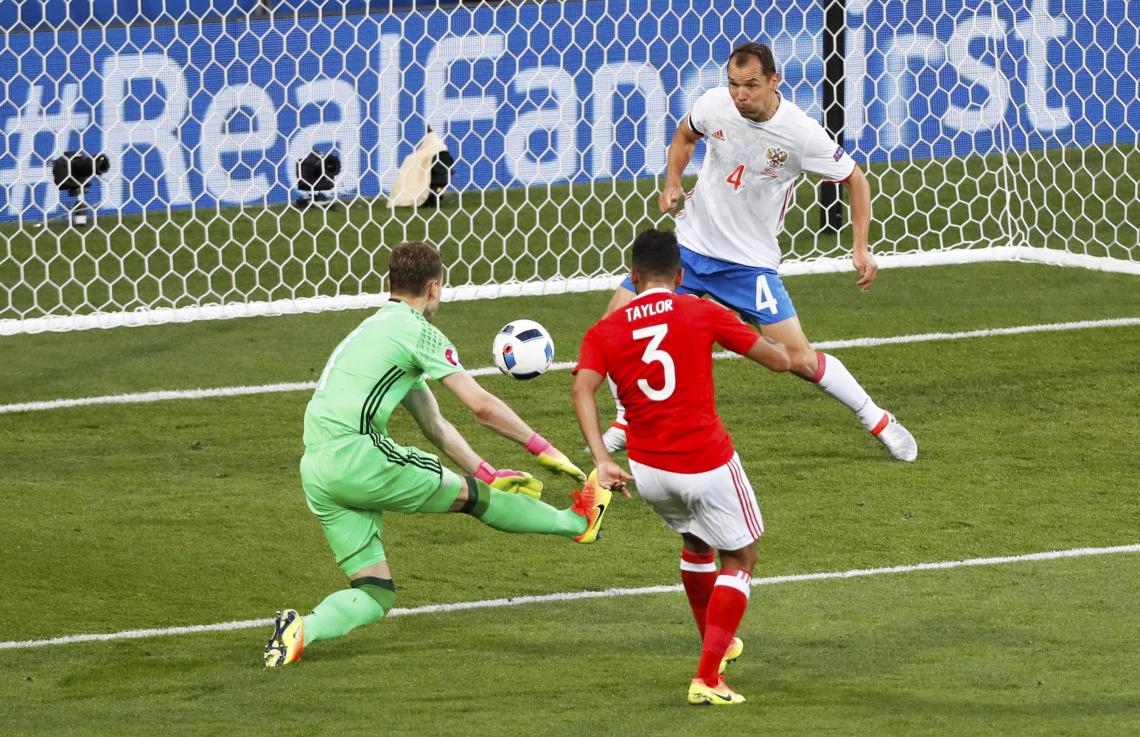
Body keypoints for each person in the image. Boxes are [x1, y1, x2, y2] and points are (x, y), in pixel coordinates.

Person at [264, 240, 611, 668]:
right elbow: (481, 407)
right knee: (473, 499)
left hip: (317, 472)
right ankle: (578, 522)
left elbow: (434, 424)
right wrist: (544, 449)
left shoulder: (373, 331)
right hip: (359, 457)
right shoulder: (417, 332)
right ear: (434, 286)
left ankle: (300, 630)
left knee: (375, 592)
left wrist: (484, 469)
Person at [598, 41, 917, 462]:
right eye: (733, 84)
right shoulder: (714, 105)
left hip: (749, 265)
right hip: (690, 250)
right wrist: (672, 180)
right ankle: (626, 418)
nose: (740, 94)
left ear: (773, 81)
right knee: (613, 329)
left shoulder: (801, 134)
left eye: (750, 85)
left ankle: (876, 418)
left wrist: (861, 247)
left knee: (797, 358)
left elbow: (855, 179)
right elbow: (683, 135)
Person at [573, 228, 792, 706]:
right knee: (741, 557)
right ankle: (708, 676)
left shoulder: (604, 329)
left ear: (632, 276)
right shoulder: (701, 311)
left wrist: (602, 459)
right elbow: (779, 361)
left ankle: (716, 640)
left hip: (647, 472)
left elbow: (582, 390)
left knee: (697, 541)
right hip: (706, 462)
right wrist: (740, 324)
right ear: (680, 274)